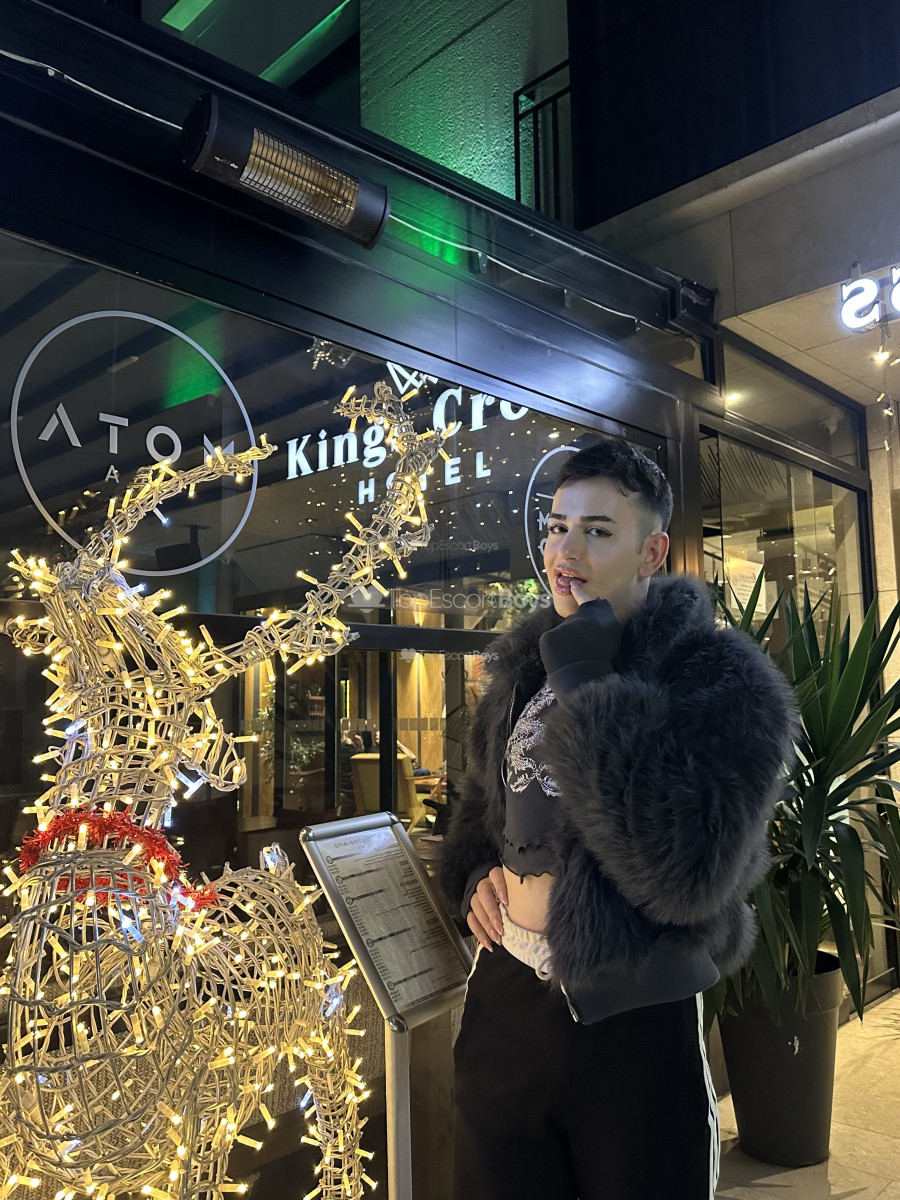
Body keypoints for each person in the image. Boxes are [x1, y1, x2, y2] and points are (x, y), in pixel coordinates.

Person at [440, 440, 797, 1200]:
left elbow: (688, 870)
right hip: (505, 999)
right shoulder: (522, 670)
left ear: (651, 552)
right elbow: (477, 811)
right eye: (557, 527)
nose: (565, 551)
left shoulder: (719, 677)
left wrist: (588, 683)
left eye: (597, 530)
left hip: (633, 1013)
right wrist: (475, 875)